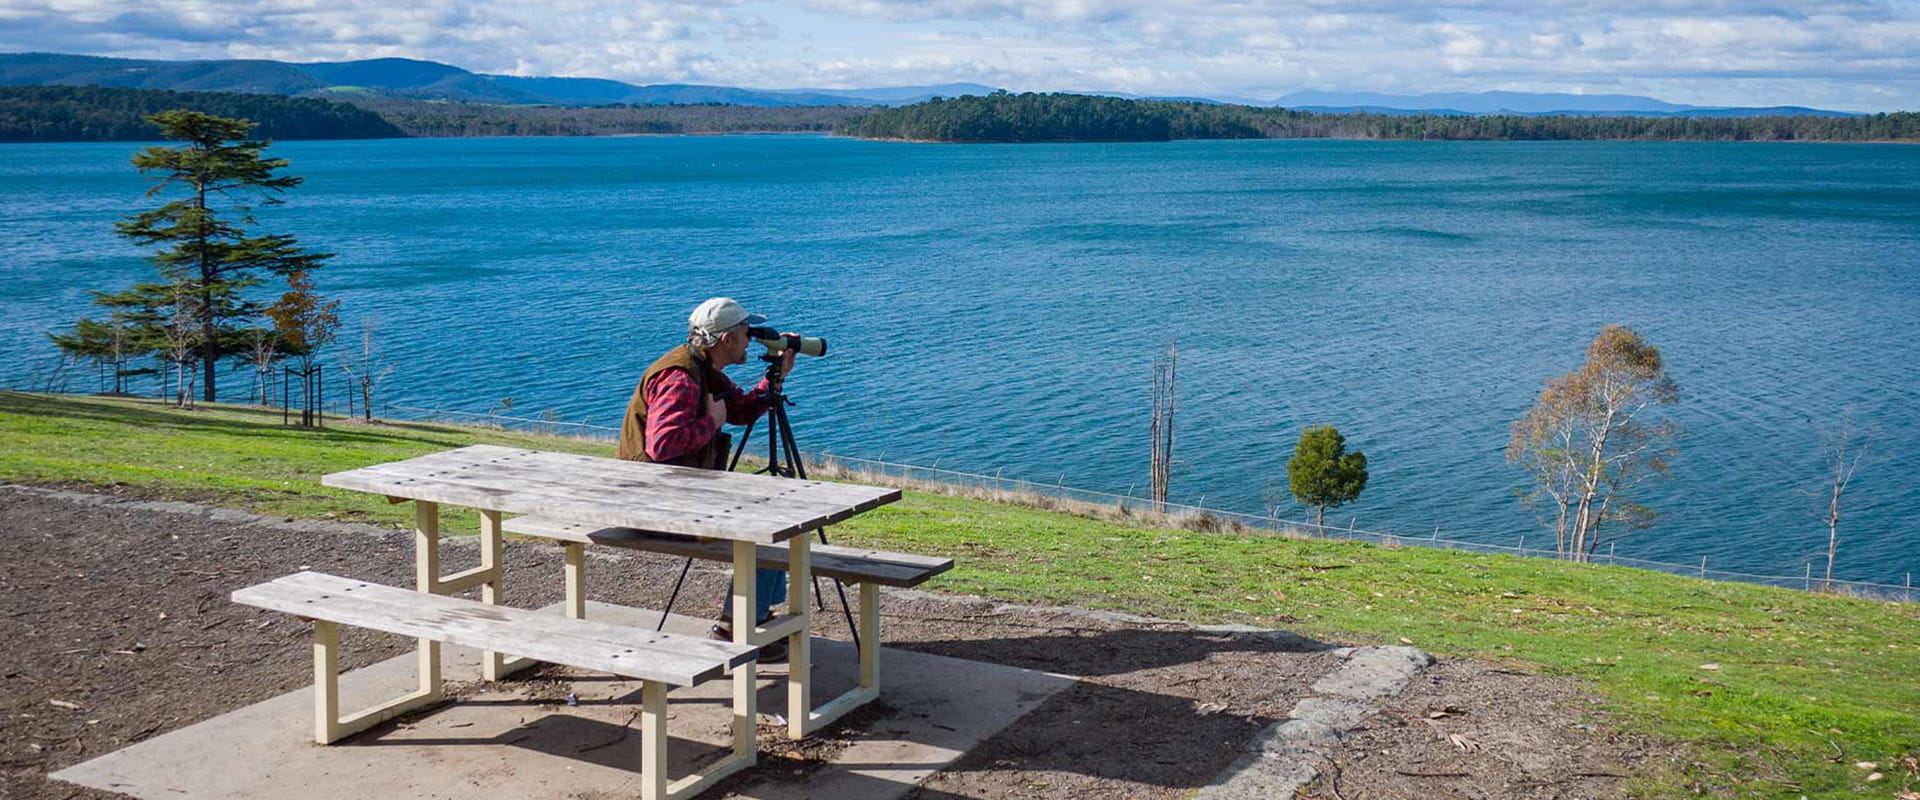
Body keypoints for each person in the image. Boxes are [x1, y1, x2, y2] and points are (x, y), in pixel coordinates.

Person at [618, 297, 797, 662]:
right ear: (725, 340)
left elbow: (741, 410)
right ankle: (736, 626)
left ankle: (754, 614)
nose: (751, 340)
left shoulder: (702, 367)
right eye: (746, 334)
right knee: (768, 523)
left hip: (668, 494)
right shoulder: (681, 377)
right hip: (655, 504)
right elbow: (664, 443)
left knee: (778, 514)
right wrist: (711, 423)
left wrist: (774, 379)